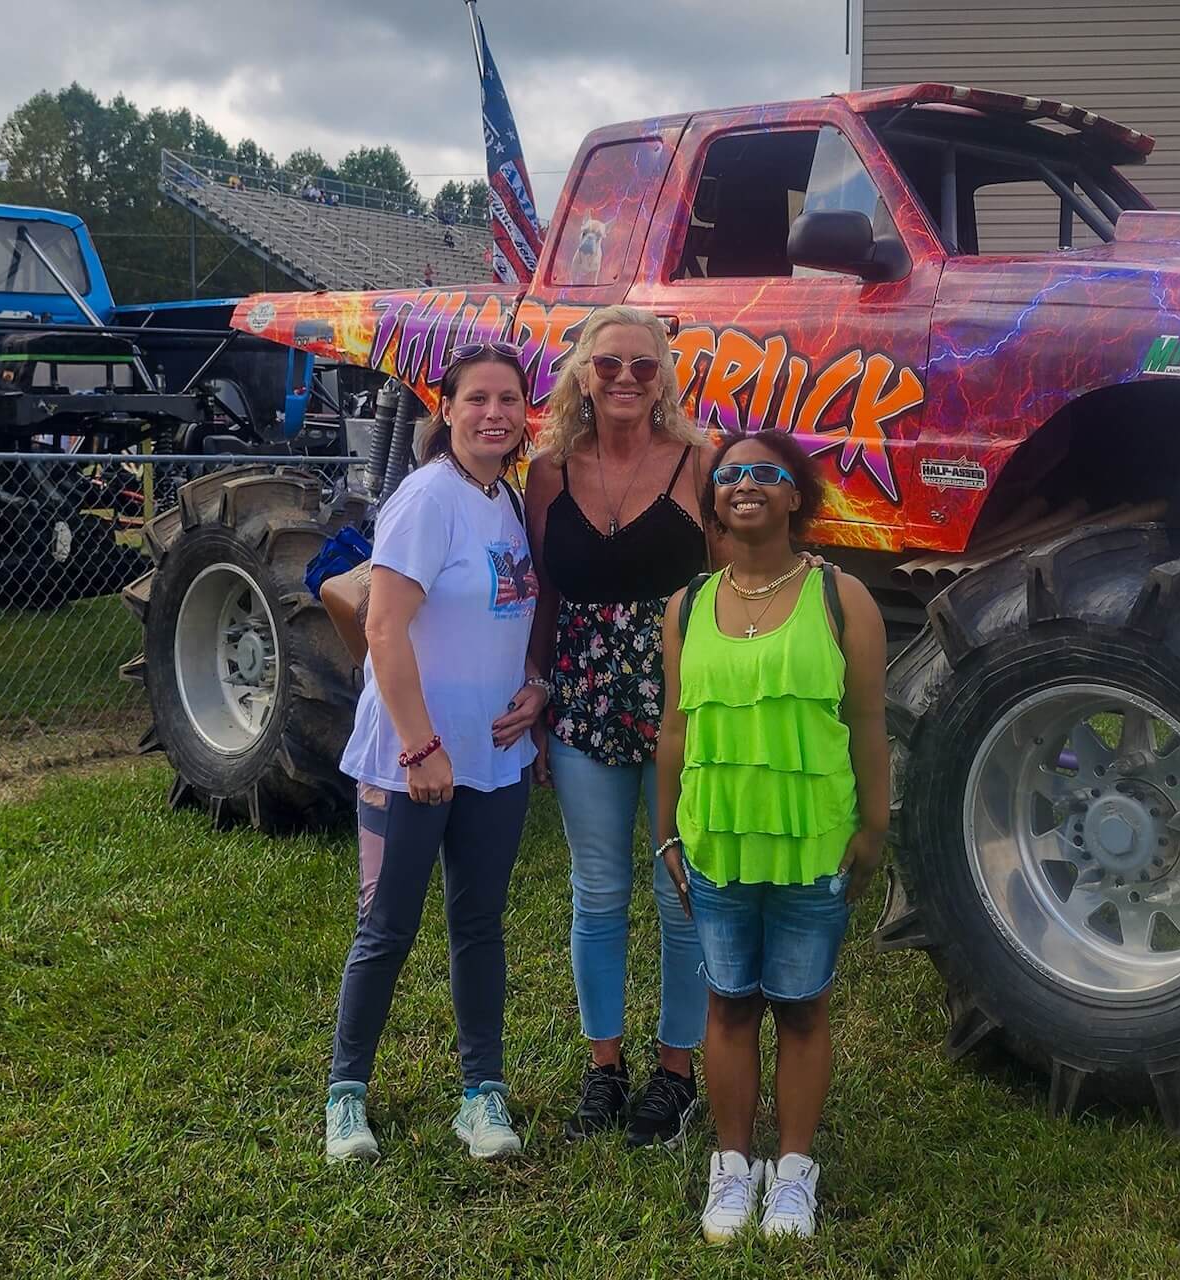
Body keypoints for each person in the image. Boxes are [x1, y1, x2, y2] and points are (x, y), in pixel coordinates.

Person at [656, 430, 889, 1241]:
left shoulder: (841, 598)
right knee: (726, 1004)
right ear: (714, 500)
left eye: (765, 474)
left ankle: (792, 1172)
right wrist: (666, 835)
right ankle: (732, 1166)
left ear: (797, 496)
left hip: (812, 840)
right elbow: (675, 733)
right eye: (728, 476)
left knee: (800, 1008)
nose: (744, 485)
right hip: (717, 839)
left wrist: (875, 824)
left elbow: (866, 723)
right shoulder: (685, 607)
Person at [322, 342, 547, 1162]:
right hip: (410, 763)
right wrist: (422, 750)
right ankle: (346, 1096)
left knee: (479, 925)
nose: (494, 413)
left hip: (494, 760)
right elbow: (381, 626)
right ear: (445, 410)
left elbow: (510, 614)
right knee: (385, 929)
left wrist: (534, 683)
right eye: (477, 399)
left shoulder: (507, 500)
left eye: (509, 400)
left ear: (526, 415)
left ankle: (481, 1093)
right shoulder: (427, 499)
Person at [525, 305, 714, 1147]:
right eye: (609, 365)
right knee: (597, 893)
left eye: (644, 365)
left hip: (685, 702)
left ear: (665, 375)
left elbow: (735, 577)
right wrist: (535, 688)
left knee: (683, 895)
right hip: (581, 699)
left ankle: (678, 1075)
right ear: (582, 375)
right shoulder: (549, 472)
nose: (626, 378)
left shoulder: (700, 465)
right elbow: (543, 593)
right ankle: (606, 1066)